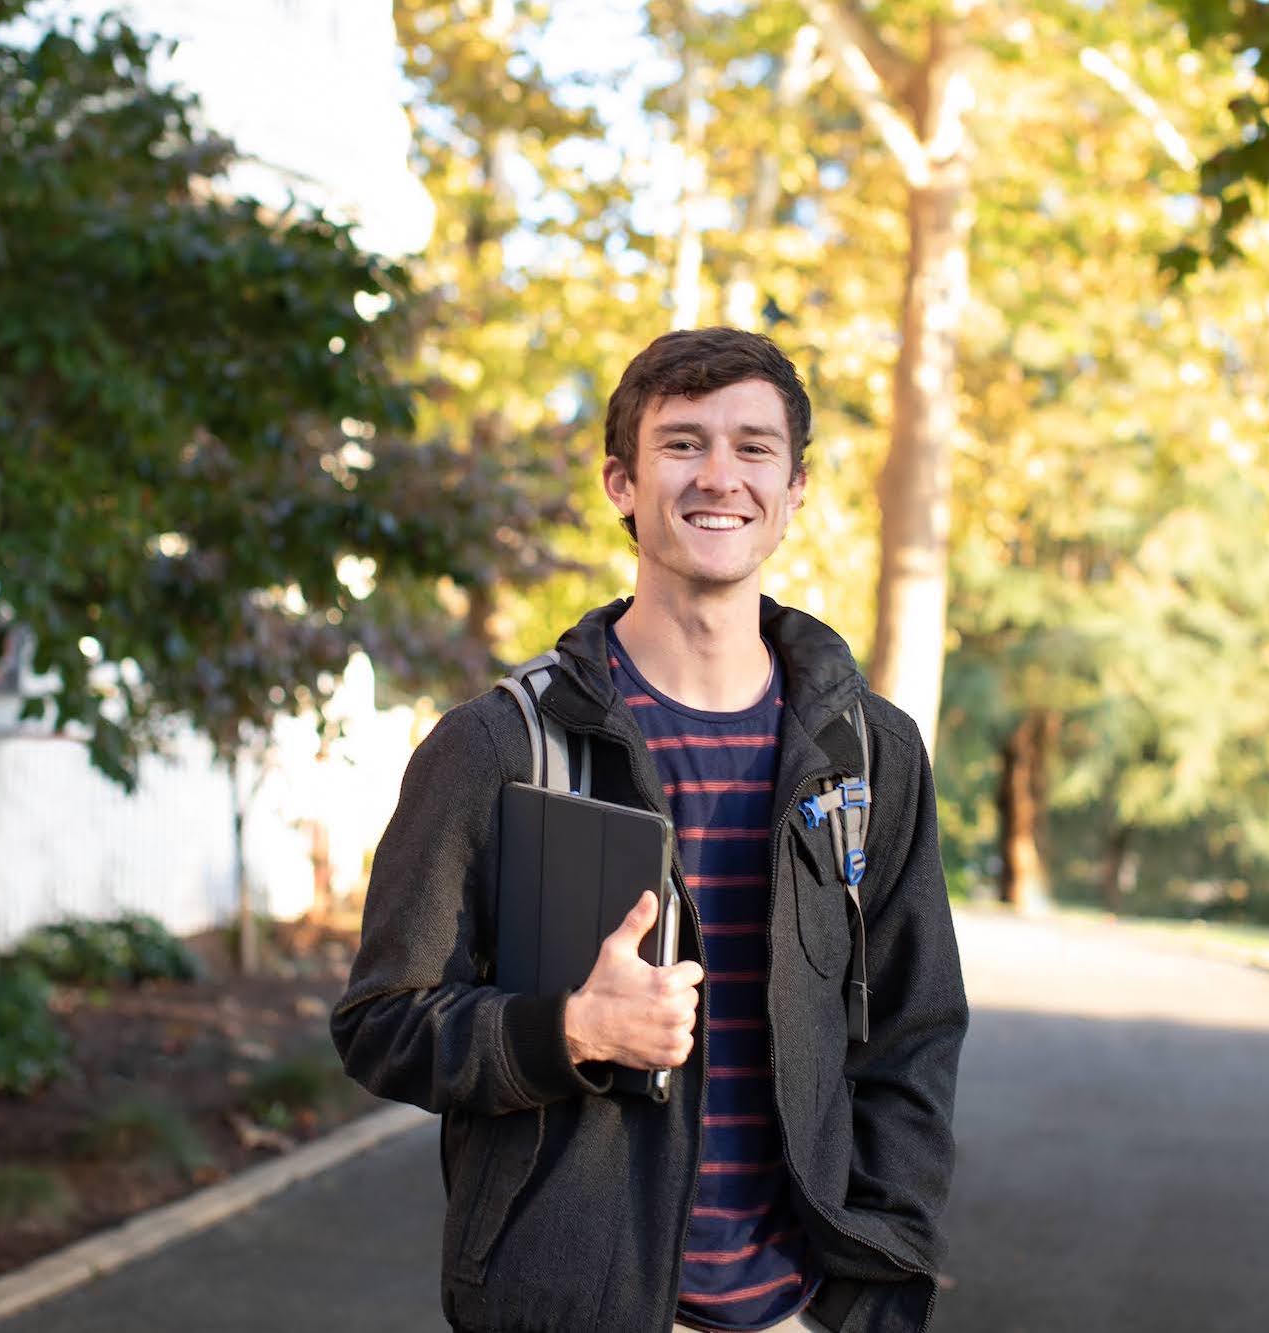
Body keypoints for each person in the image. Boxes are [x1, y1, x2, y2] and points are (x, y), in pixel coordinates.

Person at [332, 327, 968, 1333]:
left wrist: (883, 1267)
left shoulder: (867, 752)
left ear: (794, 493)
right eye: (683, 443)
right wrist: (569, 1032)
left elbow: (911, 1033)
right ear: (620, 483)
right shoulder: (497, 745)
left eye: (752, 447)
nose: (719, 474)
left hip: (802, 1314)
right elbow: (381, 1021)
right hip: (570, 1309)